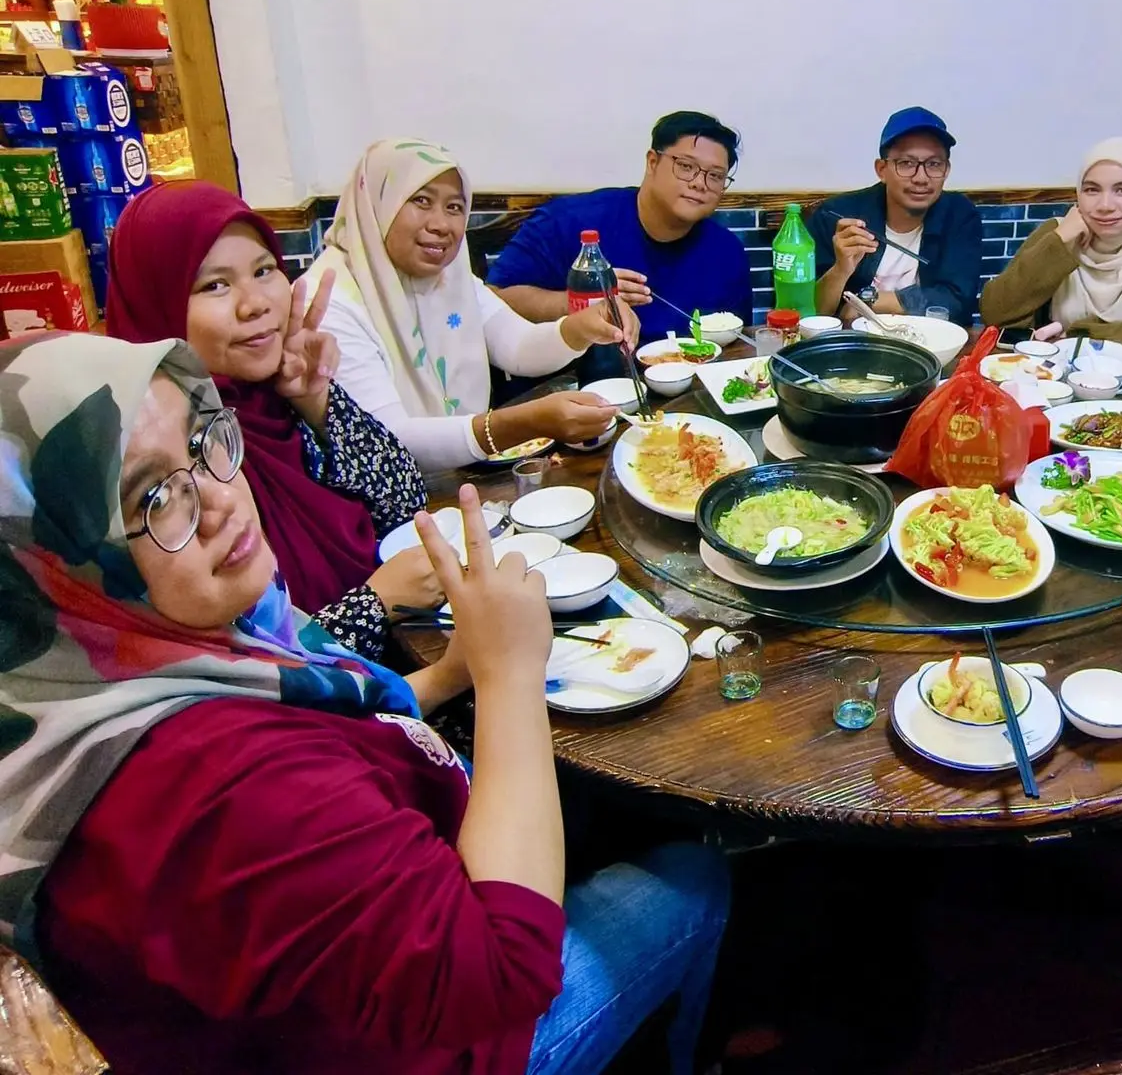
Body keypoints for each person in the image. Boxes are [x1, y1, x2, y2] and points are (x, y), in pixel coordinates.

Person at [5, 334, 730, 1074]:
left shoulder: (102, 678)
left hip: (345, 971)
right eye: (152, 498)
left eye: (202, 441)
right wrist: (509, 672)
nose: (221, 499)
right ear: (52, 560)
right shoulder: (216, 785)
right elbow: (501, 976)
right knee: (695, 876)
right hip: (443, 1032)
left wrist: (451, 673)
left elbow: (335, 732)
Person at [103, 182, 436, 660]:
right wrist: (375, 604)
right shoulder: (161, 463)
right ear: (156, 303)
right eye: (215, 285)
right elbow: (237, 667)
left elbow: (407, 502)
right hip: (344, 698)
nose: (256, 304)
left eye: (264, 271)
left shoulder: (276, 395)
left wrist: (316, 399)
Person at [305, 140, 634, 472]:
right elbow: (386, 440)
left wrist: (581, 328)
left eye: (454, 207)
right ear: (377, 203)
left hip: (459, 474)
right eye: (421, 201)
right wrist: (526, 422)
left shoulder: (451, 278)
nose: (441, 224)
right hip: (383, 494)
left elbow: (518, 347)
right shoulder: (328, 301)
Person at [488, 111, 753, 367]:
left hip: (690, 388)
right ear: (652, 162)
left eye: (715, 176)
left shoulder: (727, 252)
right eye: (686, 166)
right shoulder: (569, 221)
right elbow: (496, 298)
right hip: (577, 384)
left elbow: (736, 347)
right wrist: (581, 303)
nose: (700, 183)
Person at [978, 138, 1122, 365]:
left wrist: (1079, 333)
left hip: (1121, 380)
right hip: (1049, 375)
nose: (1105, 206)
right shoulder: (1059, 232)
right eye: (1091, 190)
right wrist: (1060, 241)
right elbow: (994, 312)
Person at [807, 106, 983, 324]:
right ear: (881, 169)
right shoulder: (837, 216)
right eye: (906, 164)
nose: (921, 178)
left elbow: (958, 302)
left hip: (933, 340)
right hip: (857, 341)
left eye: (934, 164)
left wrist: (868, 301)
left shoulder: (959, 216)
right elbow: (811, 314)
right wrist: (841, 270)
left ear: (946, 170)